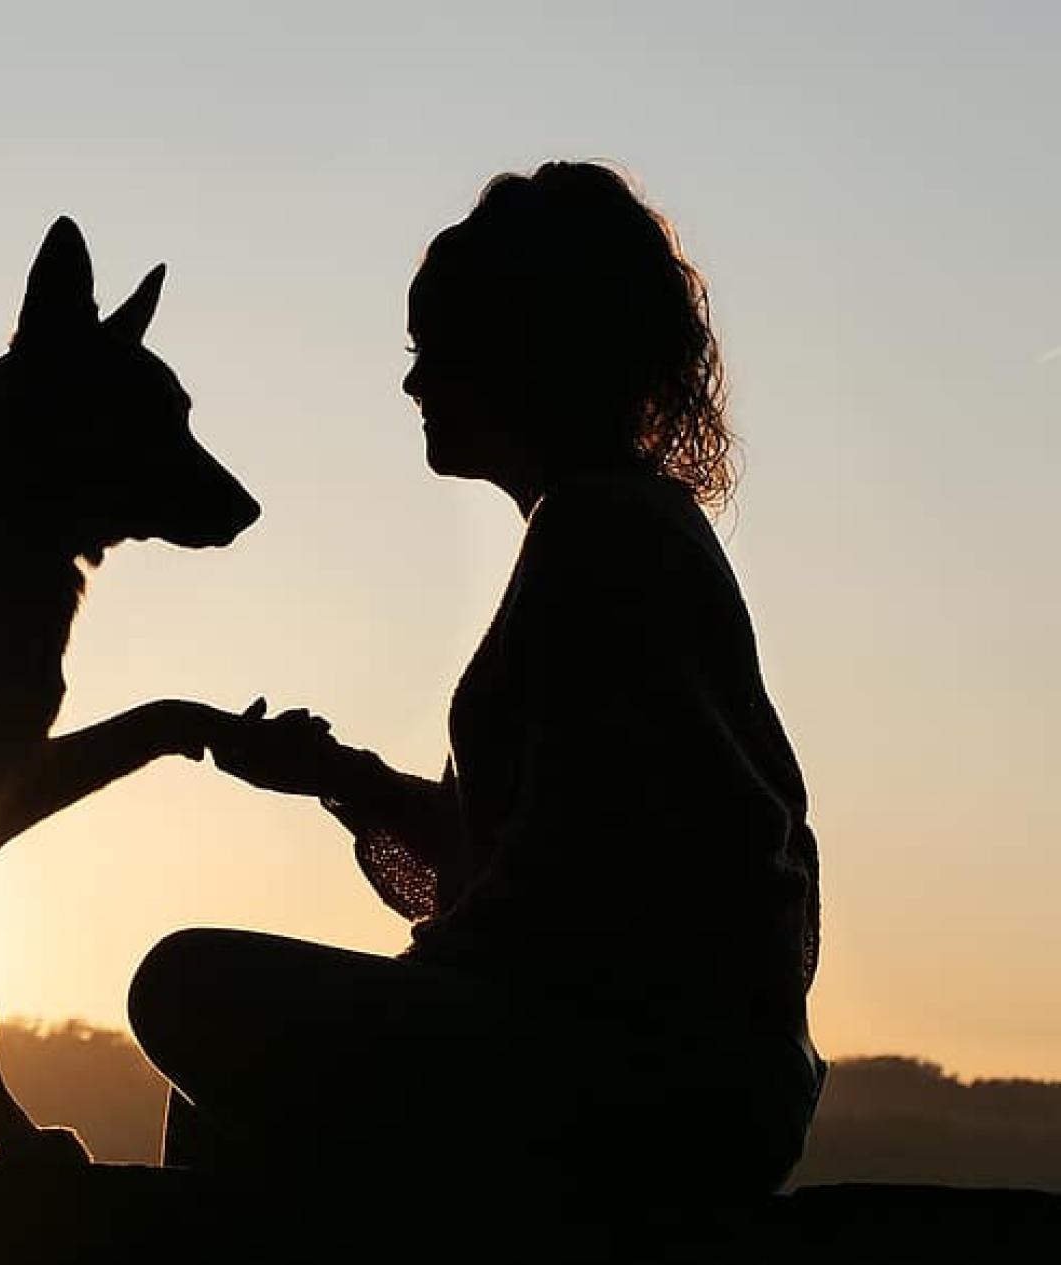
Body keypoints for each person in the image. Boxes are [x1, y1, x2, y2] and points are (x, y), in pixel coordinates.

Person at [130, 162, 825, 1201]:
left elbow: (582, 882)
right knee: (224, 1092)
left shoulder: (603, 529)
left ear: (532, 348)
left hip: (665, 1078)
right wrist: (352, 781)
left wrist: (414, 989)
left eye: (439, 351)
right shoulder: (605, 521)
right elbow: (536, 848)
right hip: (676, 1069)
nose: (415, 383)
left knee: (184, 983)